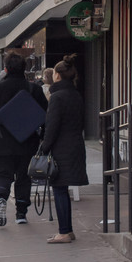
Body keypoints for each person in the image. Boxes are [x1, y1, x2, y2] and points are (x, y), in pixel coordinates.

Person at [0, 50, 48, 226]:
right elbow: (45, 115)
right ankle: (21, 212)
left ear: (6, 68)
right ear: (24, 69)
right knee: (24, 177)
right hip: (28, 141)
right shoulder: (34, 89)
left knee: (2, 174)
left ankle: (1, 198)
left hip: (3, 142)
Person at [40, 54, 89, 244]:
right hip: (75, 145)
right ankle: (67, 230)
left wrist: (44, 147)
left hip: (61, 148)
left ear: (58, 76)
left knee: (59, 189)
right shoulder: (76, 95)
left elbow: (52, 126)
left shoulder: (57, 97)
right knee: (63, 188)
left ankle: (64, 231)